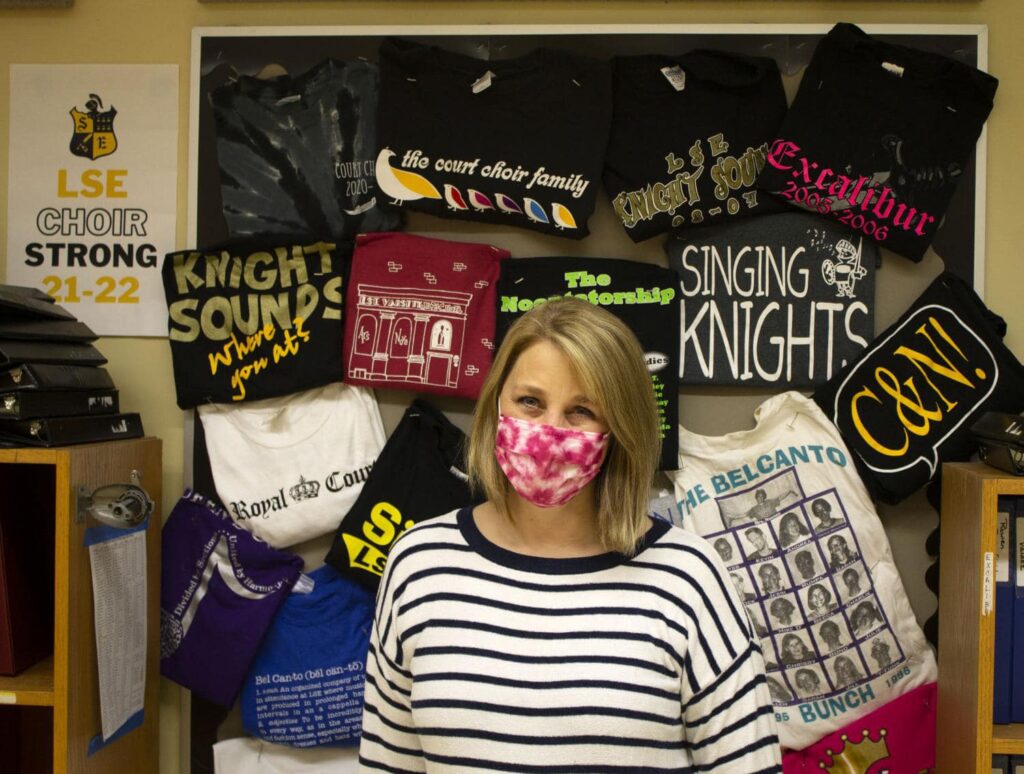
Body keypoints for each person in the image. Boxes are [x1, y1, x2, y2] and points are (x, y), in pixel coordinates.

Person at [359, 298, 781, 772]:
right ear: (497, 402)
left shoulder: (688, 578)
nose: (549, 432)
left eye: (581, 410)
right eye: (530, 402)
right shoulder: (418, 564)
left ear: (621, 427)